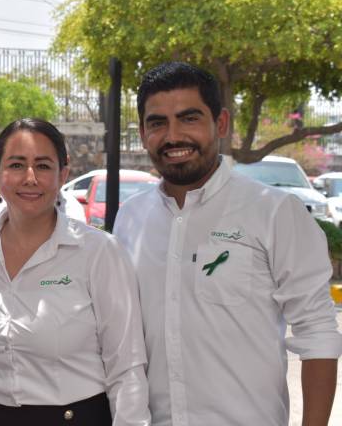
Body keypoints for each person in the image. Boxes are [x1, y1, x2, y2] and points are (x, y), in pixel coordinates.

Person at [113, 61, 342, 426]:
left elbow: (317, 332)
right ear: (142, 132)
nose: (173, 136)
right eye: (158, 123)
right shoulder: (130, 219)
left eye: (189, 118)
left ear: (220, 124)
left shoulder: (273, 212)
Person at [0, 118, 150, 426]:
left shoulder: (98, 252)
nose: (30, 178)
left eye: (44, 166)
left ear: (63, 174)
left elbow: (126, 366)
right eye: (17, 164)